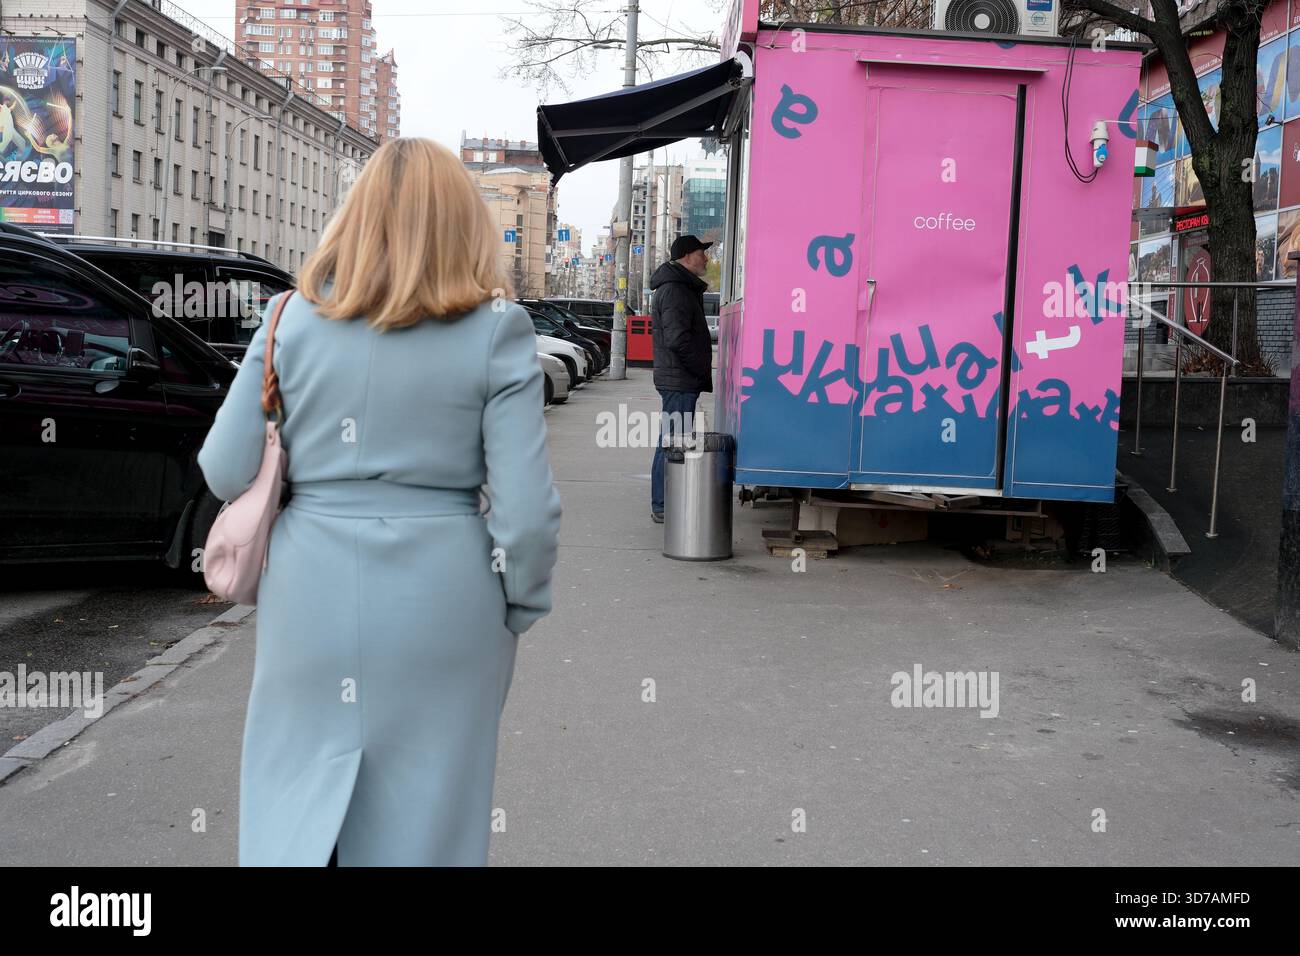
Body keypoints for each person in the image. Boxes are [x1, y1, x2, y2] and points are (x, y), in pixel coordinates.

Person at [197, 137, 562, 867]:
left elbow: (224, 468)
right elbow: (526, 513)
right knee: (430, 809)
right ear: (463, 225)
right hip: (445, 598)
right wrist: (517, 604)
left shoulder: (286, 320)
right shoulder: (496, 330)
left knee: (299, 793)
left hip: (310, 592)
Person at [649, 234, 714, 522]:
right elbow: (677, 339)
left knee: (673, 439)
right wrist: (698, 366)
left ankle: (665, 502)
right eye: (703, 253)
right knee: (673, 441)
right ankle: (664, 504)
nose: (707, 258)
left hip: (678, 378)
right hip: (679, 379)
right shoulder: (676, 290)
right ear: (688, 256)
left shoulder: (679, 286)